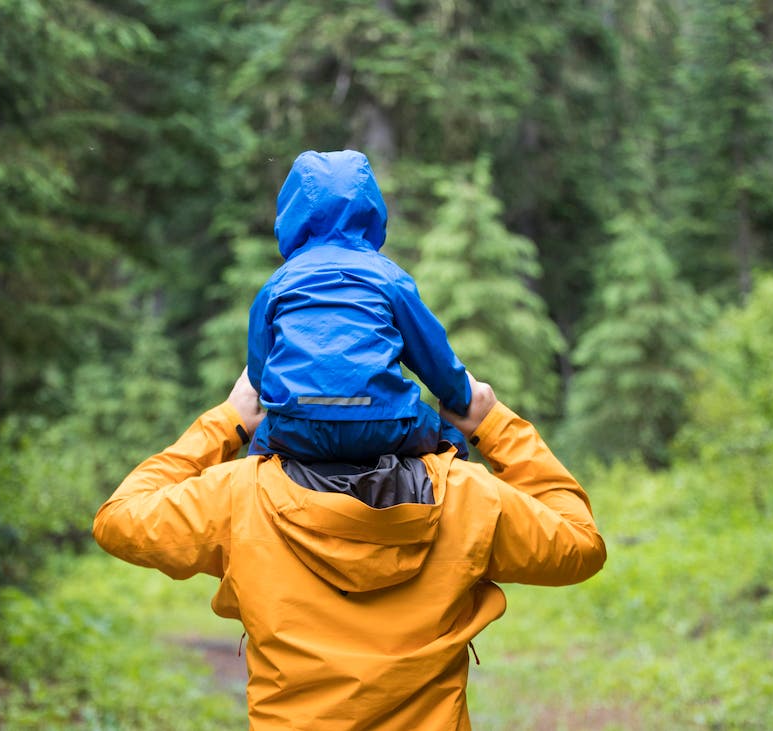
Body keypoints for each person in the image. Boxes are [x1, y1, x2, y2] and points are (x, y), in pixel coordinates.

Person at [93, 370, 606, 730]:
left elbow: (119, 519)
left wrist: (226, 421)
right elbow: (580, 545)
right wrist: (495, 426)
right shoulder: (469, 496)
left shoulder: (236, 496)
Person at [247, 149, 471, 462]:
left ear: (292, 210)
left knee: (256, 455)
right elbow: (433, 358)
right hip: (383, 423)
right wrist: (461, 397)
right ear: (369, 207)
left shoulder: (278, 283)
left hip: (295, 428)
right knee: (450, 438)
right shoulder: (388, 276)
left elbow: (258, 374)